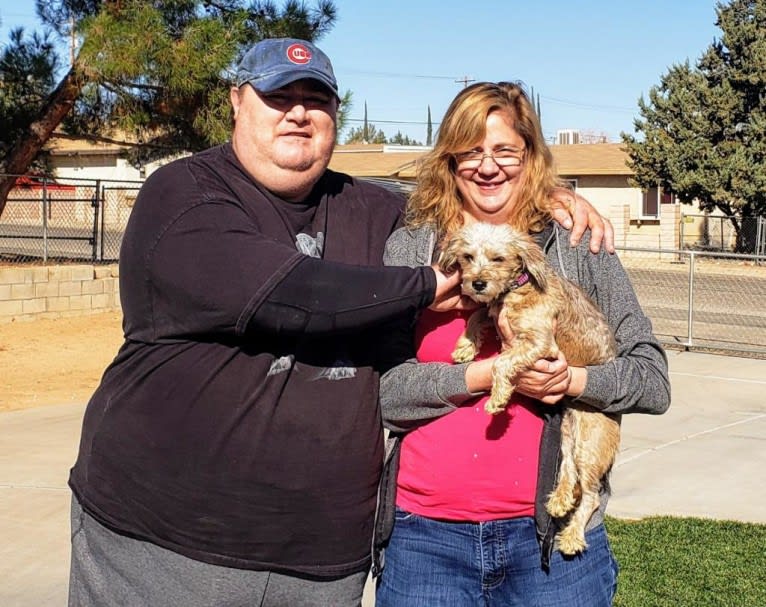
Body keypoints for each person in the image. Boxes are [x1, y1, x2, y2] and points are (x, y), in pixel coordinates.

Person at [67, 37, 613, 606]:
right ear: (236, 101)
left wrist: (546, 189)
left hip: (322, 557)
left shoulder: (371, 207)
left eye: (316, 99)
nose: (298, 112)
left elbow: (462, 193)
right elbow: (294, 292)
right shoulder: (183, 194)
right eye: (278, 95)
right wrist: (426, 285)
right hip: (168, 539)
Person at [375, 81, 671, 607]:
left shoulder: (577, 242)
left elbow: (652, 380)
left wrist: (575, 380)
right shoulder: (411, 246)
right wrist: (483, 375)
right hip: (425, 537)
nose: (488, 167)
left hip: (550, 544)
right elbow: (386, 394)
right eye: (470, 151)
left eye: (505, 150)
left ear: (530, 155)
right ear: (449, 159)